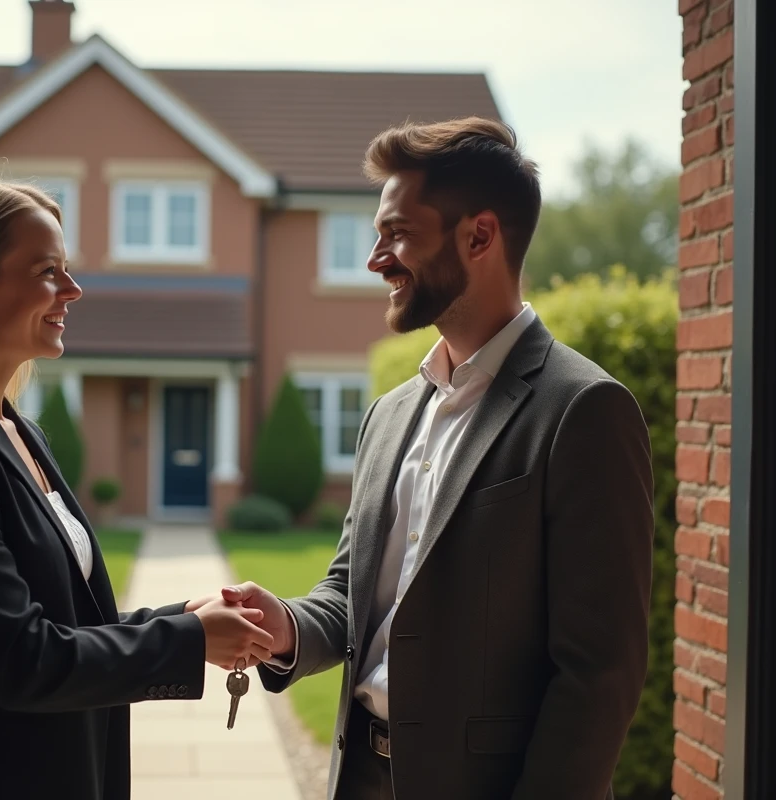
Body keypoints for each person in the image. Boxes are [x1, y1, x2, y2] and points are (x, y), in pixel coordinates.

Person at [219, 118, 654, 799]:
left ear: (479, 236)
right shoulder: (387, 416)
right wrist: (287, 625)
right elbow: (351, 595)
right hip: (356, 774)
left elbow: (600, 673)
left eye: (396, 234)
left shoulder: (584, 410)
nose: (376, 259)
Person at [0, 175, 274, 800]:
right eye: (47, 271)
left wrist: (184, 618)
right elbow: (19, 658)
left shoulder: (16, 431)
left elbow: (63, 623)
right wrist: (188, 643)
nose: (74, 289)